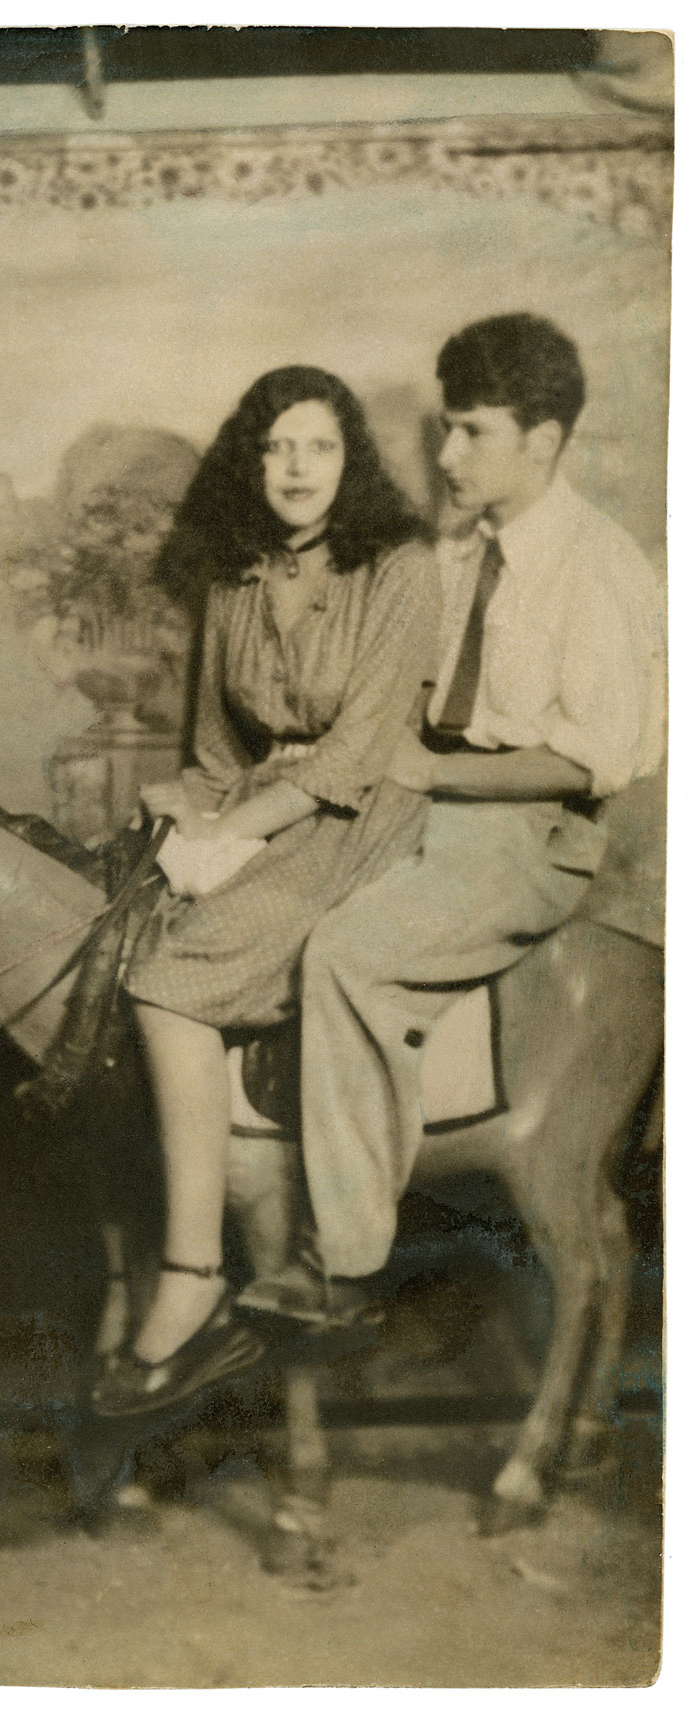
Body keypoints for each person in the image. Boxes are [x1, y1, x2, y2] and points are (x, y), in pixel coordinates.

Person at [238, 314, 665, 1328]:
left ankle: (339, 1260)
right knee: (255, 894)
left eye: (472, 432)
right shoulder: (466, 547)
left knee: (345, 951)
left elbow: (587, 757)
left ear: (545, 442)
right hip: (431, 794)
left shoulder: (600, 569)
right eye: (448, 429)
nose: (448, 454)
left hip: (529, 838)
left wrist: (429, 773)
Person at [91, 365, 440, 1417]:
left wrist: (235, 830)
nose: (297, 469)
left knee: (167, 984)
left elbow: (353, 755)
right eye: (278, 448)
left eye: (320, 448)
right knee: (118, 926)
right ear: (253, 461)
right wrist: (179, 816)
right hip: (257, 801)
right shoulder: (233, 577)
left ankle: (195, 1278)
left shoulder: (401, 568)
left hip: (360, 816)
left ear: (350, 461)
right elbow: (209, 748)